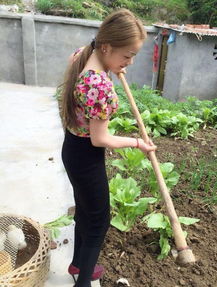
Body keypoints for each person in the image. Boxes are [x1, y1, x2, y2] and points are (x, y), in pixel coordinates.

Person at [61, 8, 157, 287]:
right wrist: (137, 142)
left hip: (72, 149)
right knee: (100, 220)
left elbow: (93, 75)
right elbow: (99, 139)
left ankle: (78, 264)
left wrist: (111, 66)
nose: (128, 62)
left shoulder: (83, 55)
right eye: (126, 55)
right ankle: (83, 281)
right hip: (87, 155)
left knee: (84, 211)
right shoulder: (98, 85)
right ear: (106, 46)